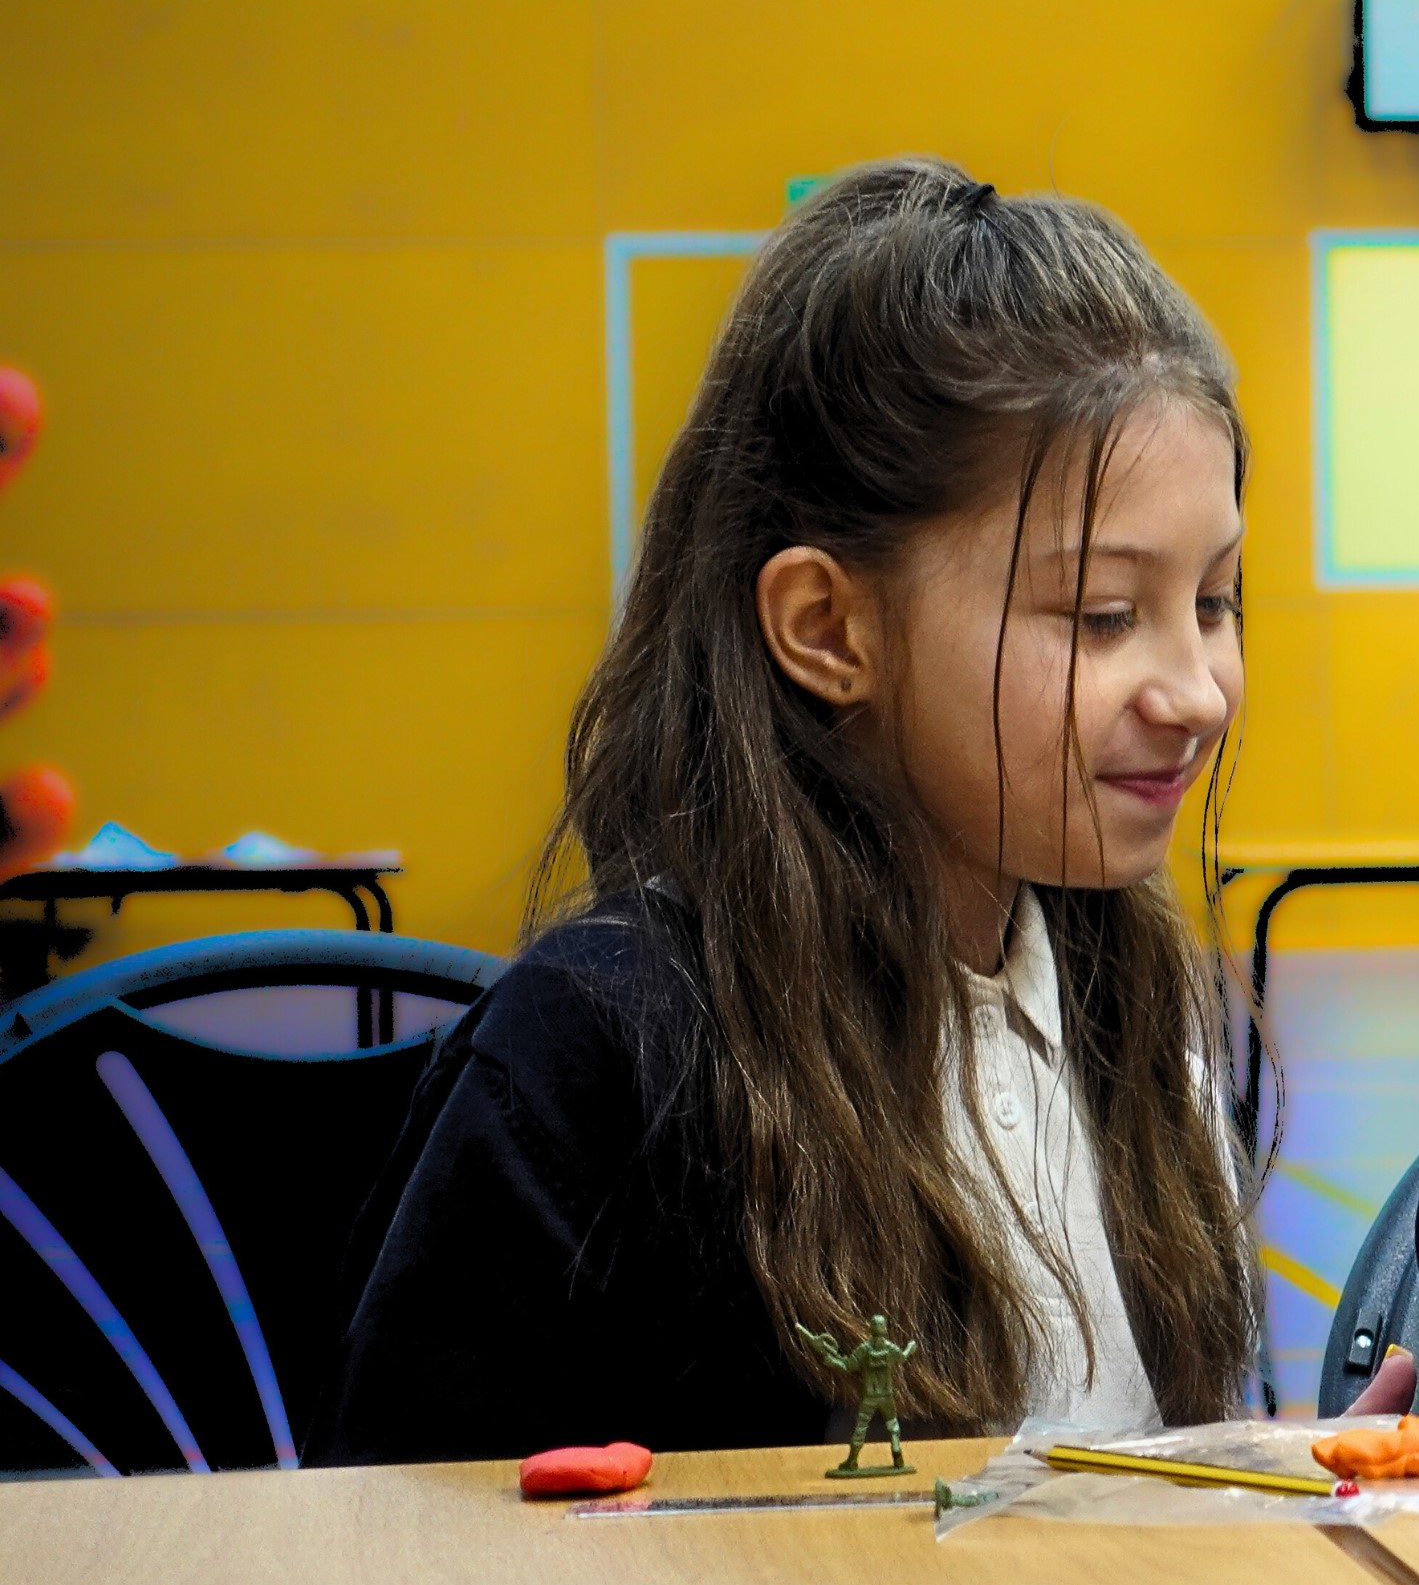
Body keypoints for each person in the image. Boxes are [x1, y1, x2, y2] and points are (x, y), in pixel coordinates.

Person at [324, 158, 1289, 1461]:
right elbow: (414, 1571)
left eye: (1215, 602)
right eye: (1104, 616)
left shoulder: (1139, 1018)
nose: (1196, 690)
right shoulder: (605, 1057)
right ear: (828, 627)